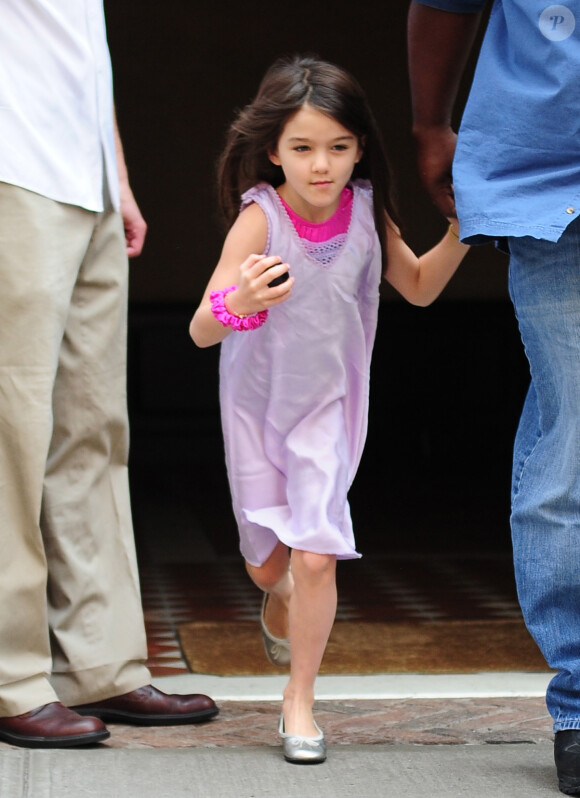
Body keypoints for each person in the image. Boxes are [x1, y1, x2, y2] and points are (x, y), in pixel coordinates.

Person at [189, 54, 469, 764]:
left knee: (317, 559)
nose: (322, 166)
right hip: (256, 412)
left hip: (329, 414)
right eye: (304, 148)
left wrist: (468, 227)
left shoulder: (369, 211)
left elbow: (420, 288)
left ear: (360, 148)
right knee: (269, 570)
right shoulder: (261, 218)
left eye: (339, 148)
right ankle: (276, 602)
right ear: (274, 150)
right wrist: (239, 303)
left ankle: (299, 702)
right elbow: (201, 326)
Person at [0, 0, 218, 750]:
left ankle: (102, 663)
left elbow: (78, 39)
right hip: (11, 167)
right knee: (11, 437)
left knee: (93, 427)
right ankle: (11, 678)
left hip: (81, 172)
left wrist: (116, 171)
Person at [407, 1, 580, 794]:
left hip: (539, 173)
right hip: (553, 181)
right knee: (572, 439)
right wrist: (431, 123)